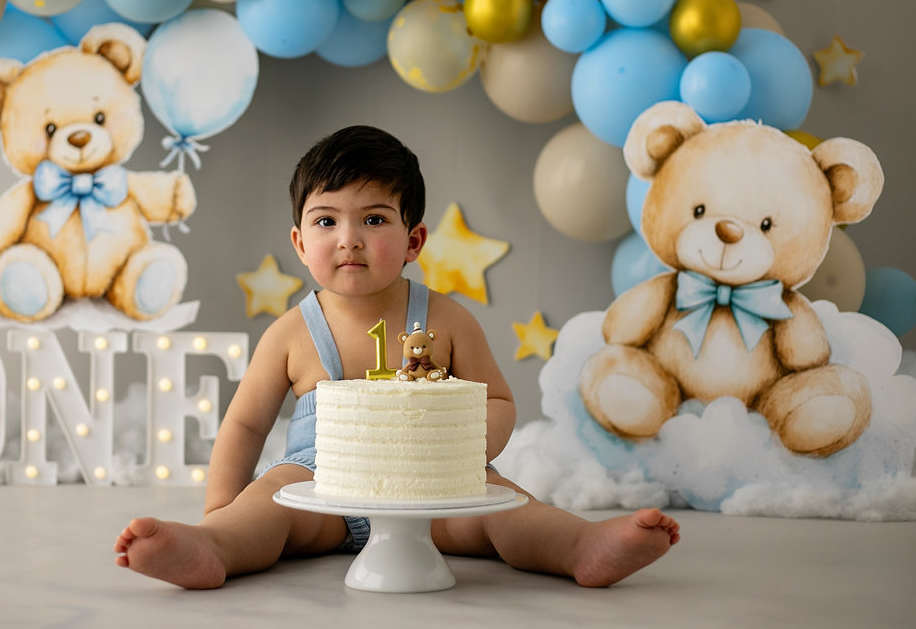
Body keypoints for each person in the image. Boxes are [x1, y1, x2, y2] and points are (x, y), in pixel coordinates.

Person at [114, 125, 680, 589]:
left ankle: (581, 546)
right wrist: (220, 508)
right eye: (327, 220)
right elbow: (244, 423)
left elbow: (501, 400)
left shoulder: (447, 320)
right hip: (321, 486)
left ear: (414, 241)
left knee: (509, 510)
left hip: (430, 488)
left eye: (375, 219)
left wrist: (461, 456)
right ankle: (211, 548)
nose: (349, 238)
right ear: (299, 242)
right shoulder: (291, 333)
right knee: (264, 508)